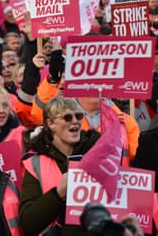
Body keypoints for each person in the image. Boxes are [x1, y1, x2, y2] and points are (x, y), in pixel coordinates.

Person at [20, 96, 100, 235]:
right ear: (50, 124)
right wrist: (58, 194)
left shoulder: (98, 156)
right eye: (67, 117)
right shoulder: (35, 164)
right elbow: (28, 223)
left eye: (79, 116)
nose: (75, 121)